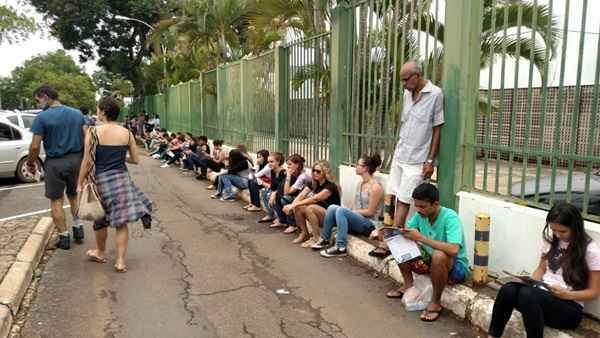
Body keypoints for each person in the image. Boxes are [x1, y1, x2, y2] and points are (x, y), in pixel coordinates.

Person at [488, 202, 600, 338]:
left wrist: (568, 295)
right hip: (541, 298)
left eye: (563, 231)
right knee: (508, 289)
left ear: (575, 227)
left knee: (527, 294)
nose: (557, 235)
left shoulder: (590, 250)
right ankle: (493, 335)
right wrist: (529, 282)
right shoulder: (551, 240)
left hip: (569, 308)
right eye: (554, 230)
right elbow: (541, 268)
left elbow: (594, 292)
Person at [370, 60, 444, 258]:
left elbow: (437, 128)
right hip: (401, 154)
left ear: (416, 76)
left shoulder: (435, 94)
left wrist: (430, 161)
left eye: (405, 79)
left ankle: (389, 244)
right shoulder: (406, 94)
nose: (403, 84)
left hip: (418, 159)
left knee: (404, 199)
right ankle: (392, 237)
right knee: (393, 195)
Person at [77, 96, 152, 273]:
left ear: (103, 111)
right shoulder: (126, 133)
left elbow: (87, 161)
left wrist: (79, 183)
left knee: (100, 219)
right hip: (121, 180)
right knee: (121, 223)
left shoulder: (93, 132)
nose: (96, 111)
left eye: (97, 108)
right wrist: (120, 156)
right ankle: (120, 261)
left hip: (100, 181)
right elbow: (135, 159)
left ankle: (100, 252)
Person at [385, 183, 468, 322]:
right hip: (431, 261)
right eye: (416, 206)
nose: (418, 210)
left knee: (439, 255)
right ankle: (408, 285)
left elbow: (454, 249)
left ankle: (435, 302)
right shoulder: (420, 216)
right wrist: (388, 235)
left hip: (455, 268)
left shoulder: (450, 217)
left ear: (435, 204)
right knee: (398, 242)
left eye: (422, 206)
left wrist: (421, 238)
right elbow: (408, 233)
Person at [26, 85, 87, 250]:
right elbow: (87, 137)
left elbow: (34, 146)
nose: (37, 104)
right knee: (74, 196)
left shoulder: (42, 118)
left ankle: (64, 237)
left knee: (56, 200)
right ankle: (78, 228)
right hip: (76, 160)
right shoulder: (77, 114)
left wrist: (31, 163)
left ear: (45, 96)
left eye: (37, 100)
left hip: (55, 163)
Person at [313, 154, 384, 257]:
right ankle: (325, 239)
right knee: (332, 207)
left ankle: (341, 247)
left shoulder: (375, 187)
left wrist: (350, 212)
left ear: (365, 168)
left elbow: (370, 212)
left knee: (341, 211)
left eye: (358, 164)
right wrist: (350, 211)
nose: (356, 166)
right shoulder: (360, 184)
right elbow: (355, 206)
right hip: (358, 220)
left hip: (369, 224)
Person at [282, 160, 340, 246]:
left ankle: (316, 238)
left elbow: (315, 199)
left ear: (325, 172)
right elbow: (301, 196)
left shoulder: (331, 186)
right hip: (319, 215)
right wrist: (292, 206)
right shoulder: (313, 183)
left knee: (310, 207)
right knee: (299, 207)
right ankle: (304, 233)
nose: (315, 173)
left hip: (332, 219)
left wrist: (293, 205)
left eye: (318, 171)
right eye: (313, 170)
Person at [271, 154, 311, 233]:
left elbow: (287, 192)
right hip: (301, 196)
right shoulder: (295, 173)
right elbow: (280, 187)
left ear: (297, 165)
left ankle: (293, 225)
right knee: (278, 196)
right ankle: (282, 221)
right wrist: (274, 193)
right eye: (287, 164)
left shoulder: (302, 176)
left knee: (285, 198)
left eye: (290, 164)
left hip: (307, 199)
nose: (288, 167)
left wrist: (288, 176)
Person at [260, 152, 285, 224]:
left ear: (278, 162)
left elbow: (281, 187)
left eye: (271, 162)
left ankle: (279, 218)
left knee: (270, 195)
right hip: (276, 191)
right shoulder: (272, 171)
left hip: (281, 192)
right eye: (268, 162)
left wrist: (273, 194)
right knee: (264, 191)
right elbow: (273, 186)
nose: (269, 164)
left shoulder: (283, 172)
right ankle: (270, 214)